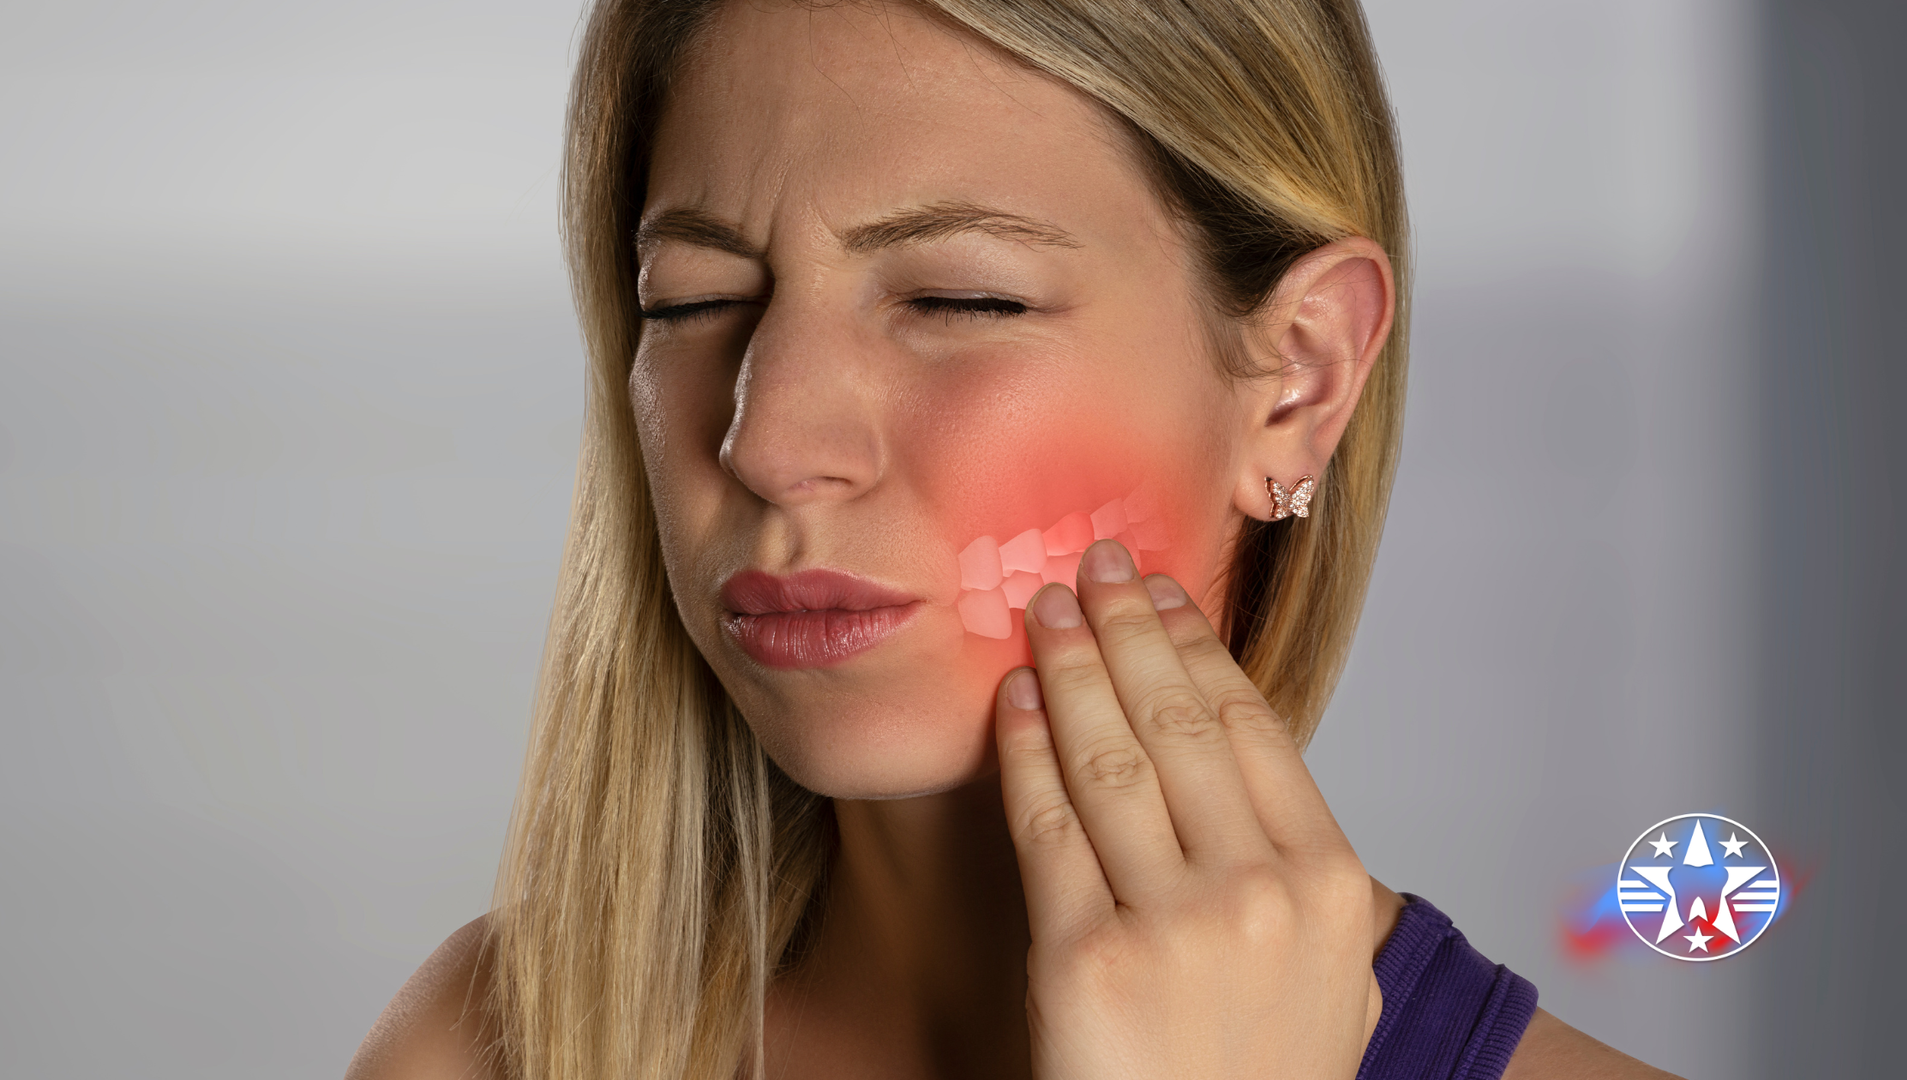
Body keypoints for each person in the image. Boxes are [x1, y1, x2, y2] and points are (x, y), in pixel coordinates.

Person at [348, 1, 1678, 1077]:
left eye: (957, 297)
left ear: (1299, 381)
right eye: (694, 301)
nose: (765, 438)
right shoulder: (483, 1051)